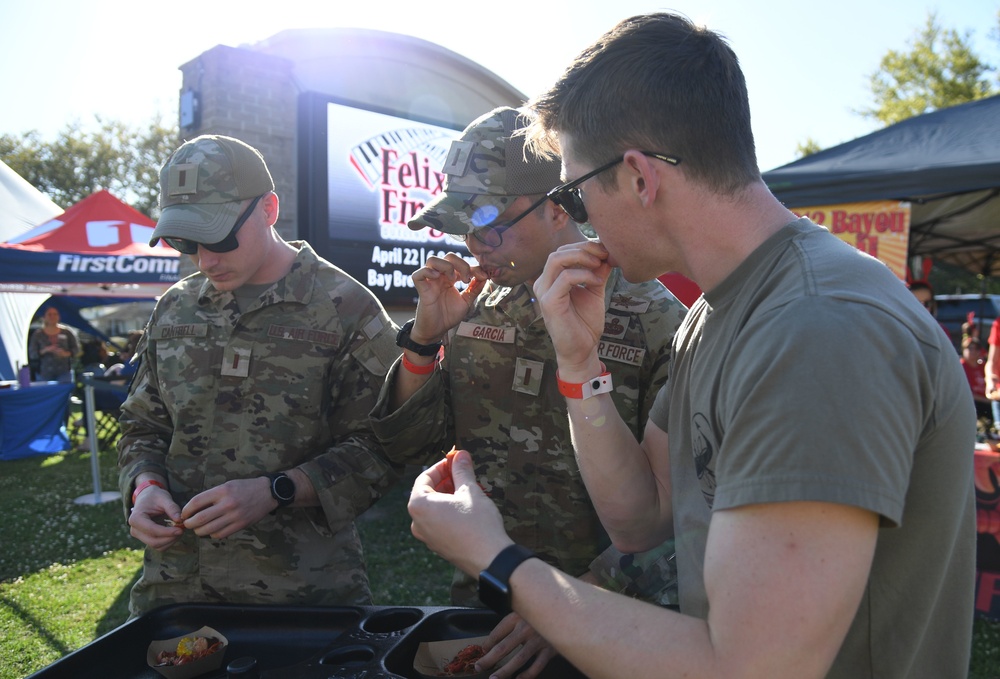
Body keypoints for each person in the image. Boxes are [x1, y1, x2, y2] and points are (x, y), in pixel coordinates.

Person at [407, 12, 976, 679]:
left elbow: (751, 667)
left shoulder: (818, 328)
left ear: (642, 178)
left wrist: (497, 559)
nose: (577, 218)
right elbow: (641, 518)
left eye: (576, 194)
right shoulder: (723, 308)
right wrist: (579, 364)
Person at [370, 106, 686, 676]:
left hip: (615, 619)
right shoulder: (474, 305)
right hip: (486, 611)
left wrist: (581, 591)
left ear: (560, 205)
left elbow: (691, 505)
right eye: (462, 227)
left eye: (490, 223)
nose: (475, 245)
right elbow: (407, 452)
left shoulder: (656, 319)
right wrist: (422, 343)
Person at [117, 134, 401, 618]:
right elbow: (143, 425)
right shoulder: (175, 306)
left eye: (221, 236)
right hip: (177, 590)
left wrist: (277, 491)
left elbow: (385, 448)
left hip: (303, 597)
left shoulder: (345, 308)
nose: (205, 260)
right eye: (186, 242)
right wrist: (144, 487)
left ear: (268, 209)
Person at [27, 306, 80, 382]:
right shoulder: (38, 334)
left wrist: (66, 353)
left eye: (55, 314)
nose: (52, 317)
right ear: (44, 317)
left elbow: (76, 349)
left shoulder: (67, 332)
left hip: (64, 372)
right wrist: (46, 350)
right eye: (49, 314)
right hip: (44, 373)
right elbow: (32, 354)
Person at [961, 335, 992, 422]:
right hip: (971, 402)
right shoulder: (960, 367)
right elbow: (965, 393)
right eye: (969, 348)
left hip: (987, 401)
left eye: (976, 348)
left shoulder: (983, 366)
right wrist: (986, 400)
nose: (973, 351)